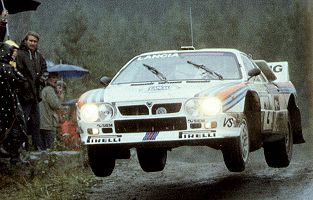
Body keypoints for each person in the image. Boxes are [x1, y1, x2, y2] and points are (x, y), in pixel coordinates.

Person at [16, 31, 48, 151]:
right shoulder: (20, 54)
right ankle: (22, 145)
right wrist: (24, 84)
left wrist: (42, 79)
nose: (32, 43)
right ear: (25, 41)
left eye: (35, 41)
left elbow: (45, 69)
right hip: (24, 93)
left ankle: (37, 145)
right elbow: (18, 71)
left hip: (35, 93)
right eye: (30, 41)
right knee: (22, 120)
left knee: (36, 121)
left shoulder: (39, 55)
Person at [0, 42, 27, 163]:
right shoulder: (7, 68)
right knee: (16, 127)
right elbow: (22, 79)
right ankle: (14, 156)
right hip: (10, 104)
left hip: (5, 104)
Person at [39, 73, 63, 150]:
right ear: (48, 79)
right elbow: (56, 105)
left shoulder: (44, 89)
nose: (55, 80)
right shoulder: (49, 90)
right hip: (48, 123)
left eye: (56, 78)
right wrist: (59, 95)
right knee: (51, 149)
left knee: (42, 149)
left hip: (42, 123)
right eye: (53, 77)